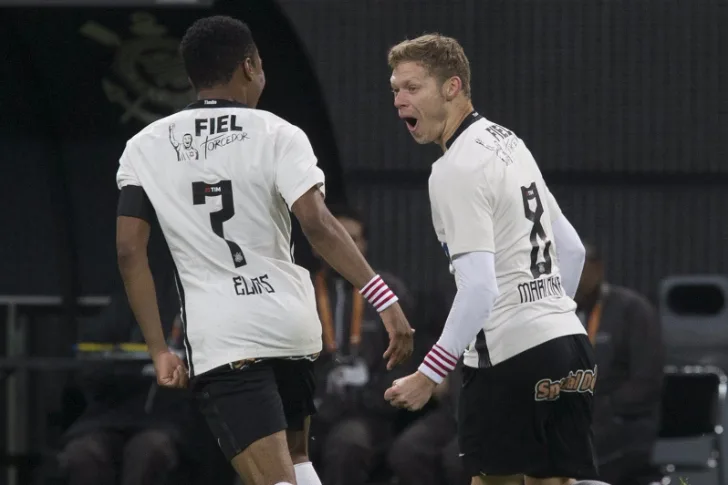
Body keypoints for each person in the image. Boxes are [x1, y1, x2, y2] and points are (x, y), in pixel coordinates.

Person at [114, 15, 414, 485]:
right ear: (250, 66)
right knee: (297, 465)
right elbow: (317, 223)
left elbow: (130, 250)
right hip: (289, 326)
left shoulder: (144, 147)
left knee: (274, 481)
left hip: (225, 338)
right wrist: (384, 298)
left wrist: (157, 349)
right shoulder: (279, 133)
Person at [382, 34, 596, 485]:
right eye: (395, 89)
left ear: (452, 87)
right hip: (570, 347)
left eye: (413, 87)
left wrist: (427, 374)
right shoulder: (509, 141)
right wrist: (550, 321)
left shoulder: (454, 168)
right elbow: (571, 248)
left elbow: (479, 288)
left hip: (510, 356)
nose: (400, 99)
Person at [307, 204, 415, 485]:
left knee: (348, 445)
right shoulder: (300, 290)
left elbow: (405, 367)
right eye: (335, 237)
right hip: (312, 411)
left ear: (364, 245)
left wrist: (362, 397)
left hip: (367, 415)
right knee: (267, 448)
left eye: (352, 239)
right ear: (318, 245)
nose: (344, 246)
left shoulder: (390, 294)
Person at [575, 243, 663, 485]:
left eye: (580, 266)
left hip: (622, 422)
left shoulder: (632, 310)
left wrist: (604, 406)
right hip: (575, 418)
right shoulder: (560, 312)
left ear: (598, 268)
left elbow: (648, 380)